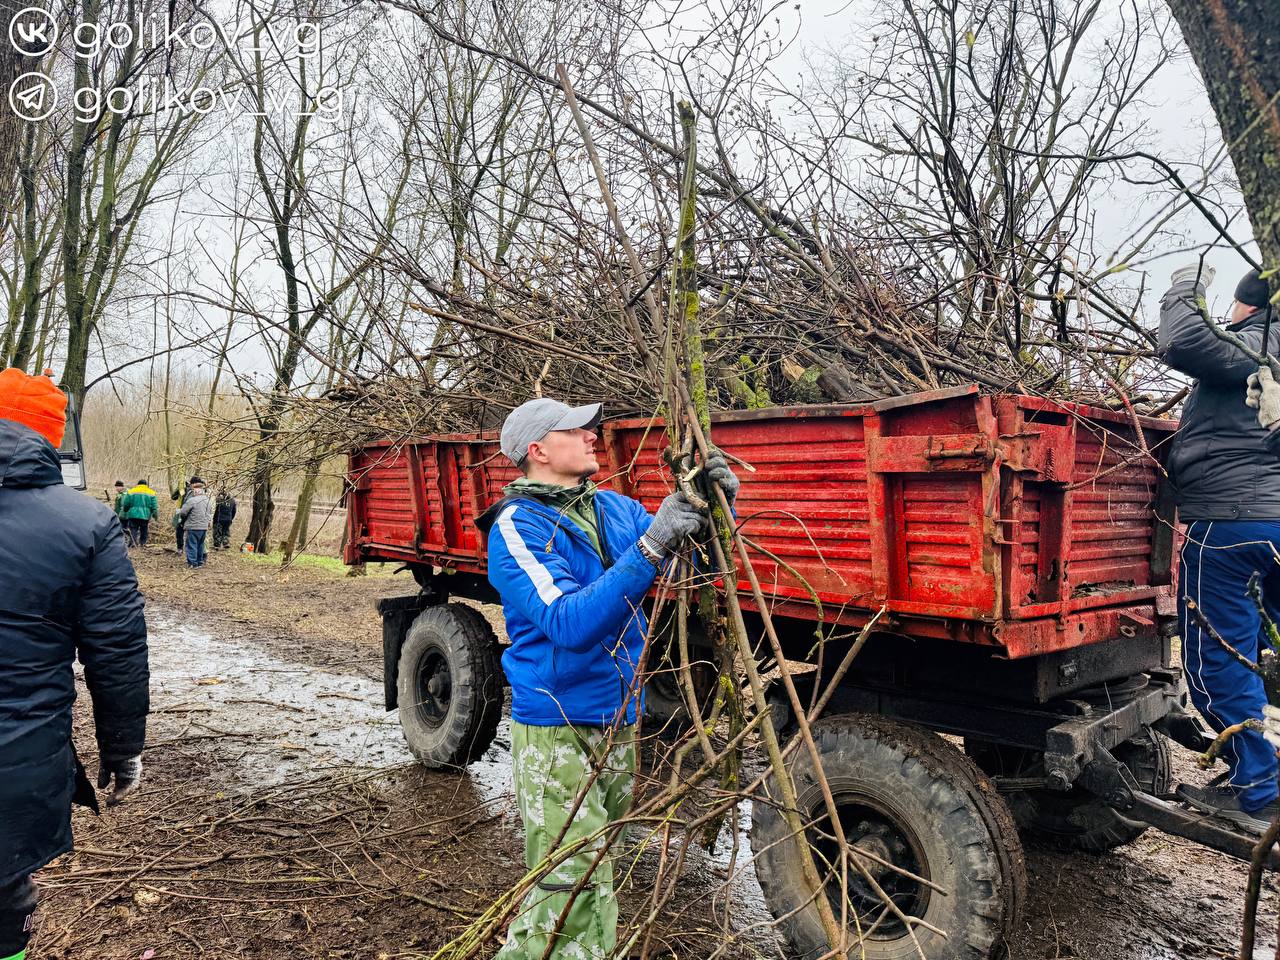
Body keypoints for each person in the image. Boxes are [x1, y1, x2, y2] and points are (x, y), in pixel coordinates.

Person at [476, 398, 738, 959]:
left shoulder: (615, 509)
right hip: (557, 725)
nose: (594, 435)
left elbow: (700, 569)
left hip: (617, 716)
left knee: (595, 869)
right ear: (538, 450)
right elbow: (570, 623)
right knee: (566, 880)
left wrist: (719, 511)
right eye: (578, 429)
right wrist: (653, 545)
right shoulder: (517, 527)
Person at [0, 368, 149, 960]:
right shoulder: (86, 523)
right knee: (4, 898)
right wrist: (122, 748)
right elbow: (116, 650)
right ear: (50, 437)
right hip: (19, 752)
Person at [1159, 265, 1280, 834]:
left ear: (1247, 308)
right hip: (1270, 522)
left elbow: (1183, 339)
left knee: (1217, 656)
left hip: (1235, 522)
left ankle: (1258, 791)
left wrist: (1187, 283)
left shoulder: (1261, 338)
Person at [176, 477, 213, 568]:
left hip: (192, 526)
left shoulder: (192, 500)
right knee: (200, 545)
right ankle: (199, 562)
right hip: (203, 527)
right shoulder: (207, 501)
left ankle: (192, 563)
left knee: (191, 545)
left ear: (195, 491)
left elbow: (183, 512)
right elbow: (209, 513)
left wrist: (178, 512)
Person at [121, 479, 159, 548]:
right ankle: (142, 544)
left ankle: (133, 543)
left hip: (133, 515)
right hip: (145, 515)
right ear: (146, 485)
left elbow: (126, 503)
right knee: (144, 529)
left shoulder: (131, 491)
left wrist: (125, 510)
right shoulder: (151, 492)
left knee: (133, 529)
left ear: (138, 484)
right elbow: (154, 507)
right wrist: (155, 516)